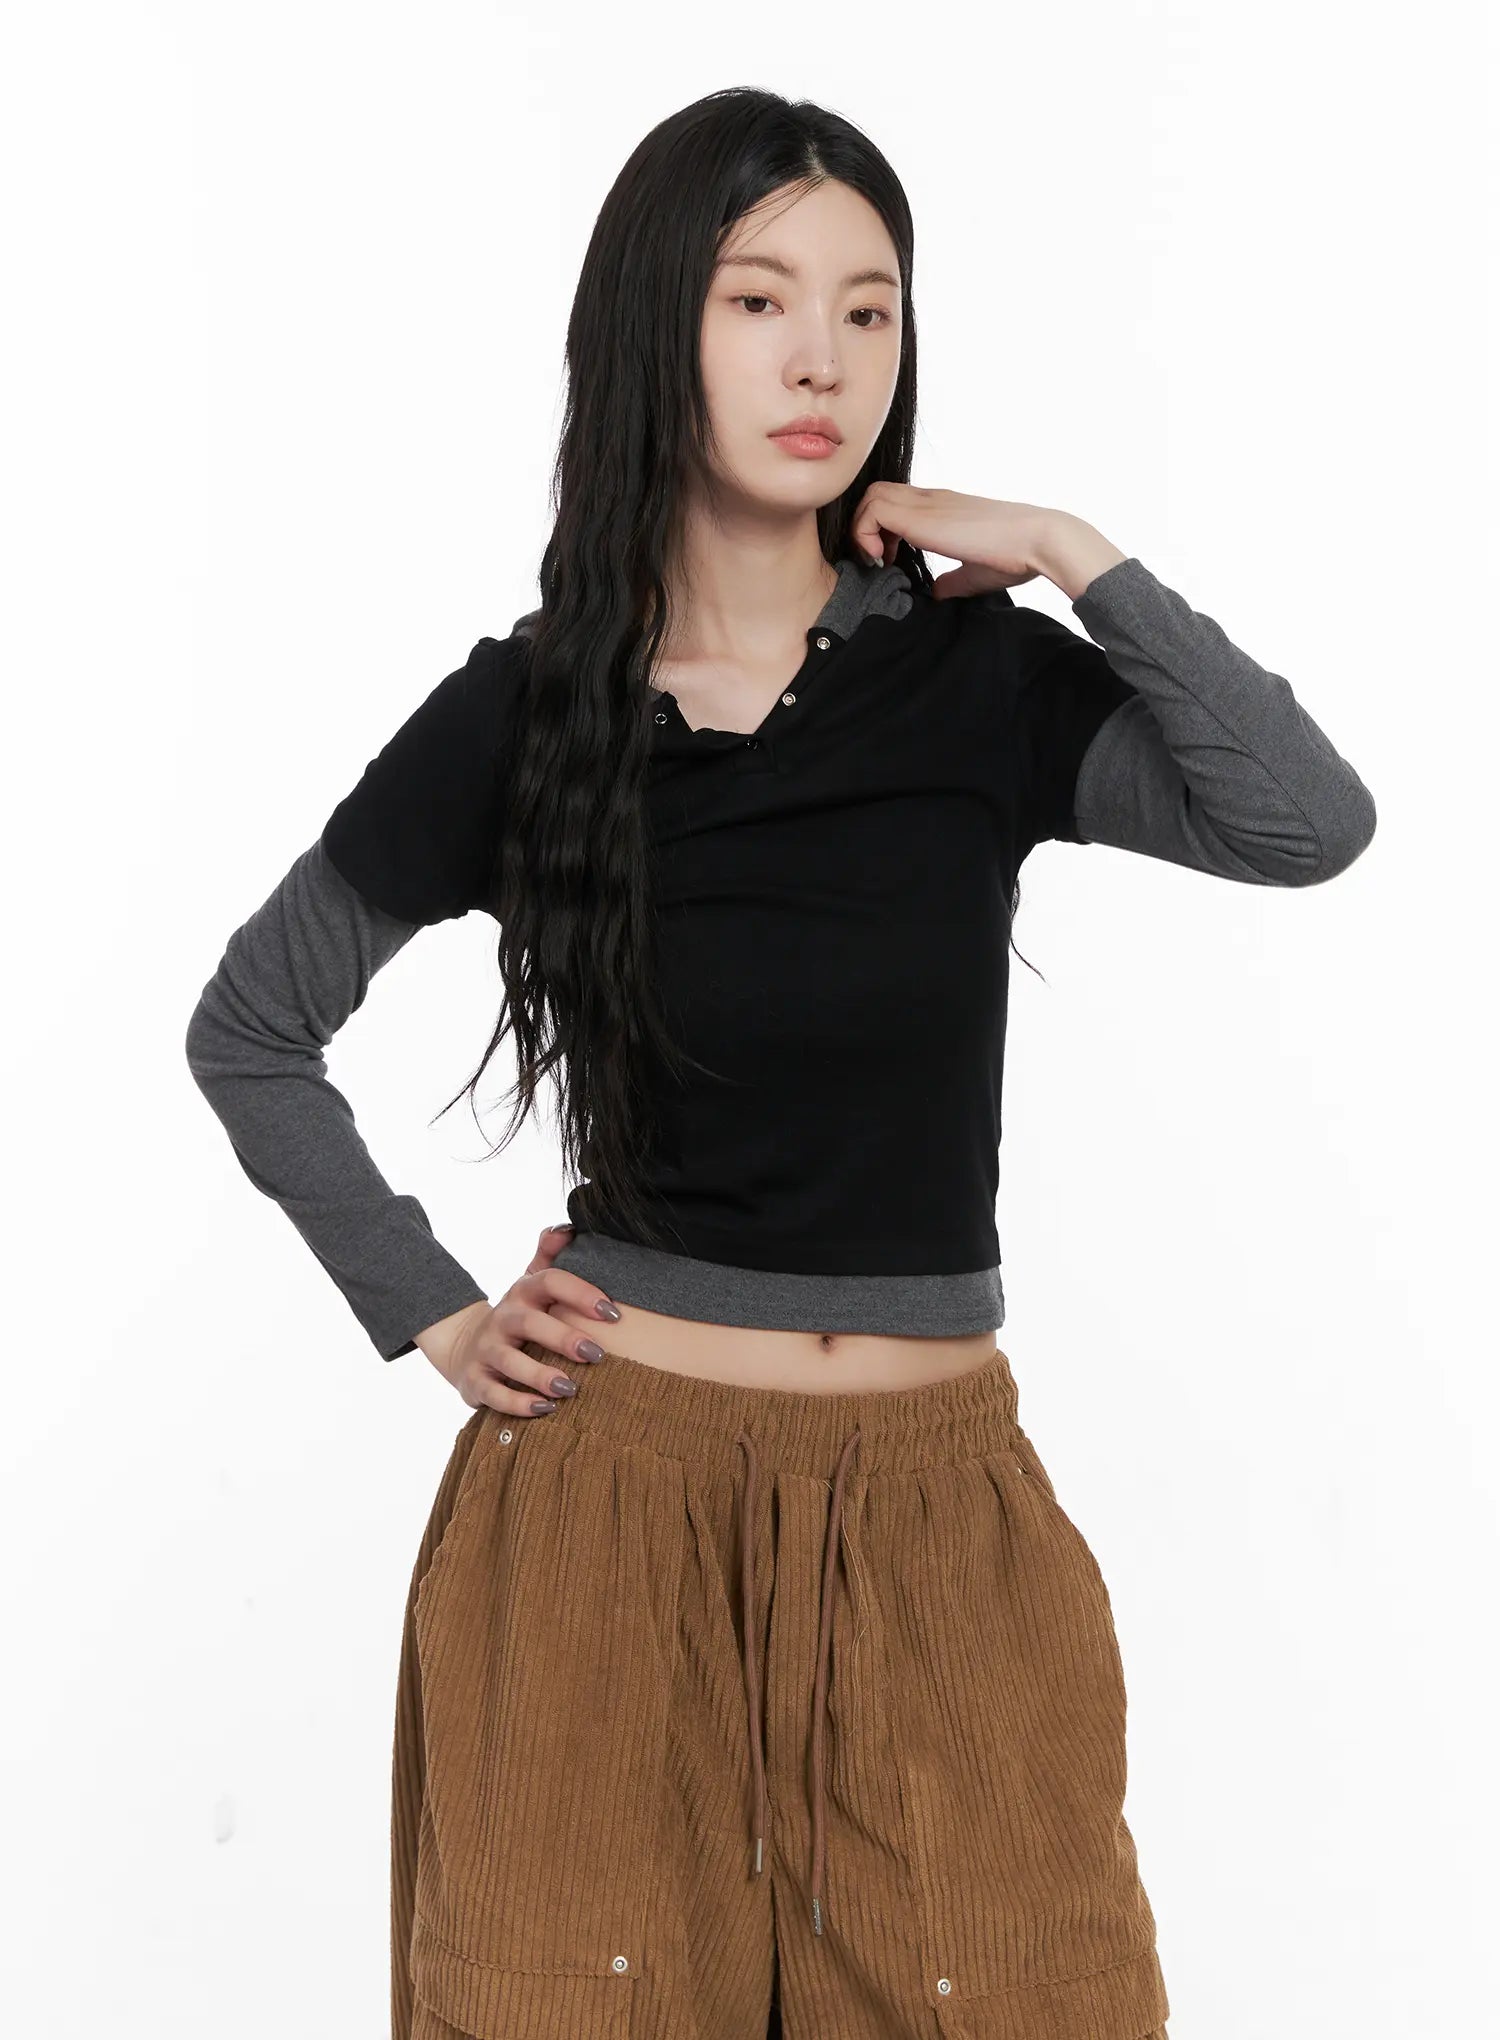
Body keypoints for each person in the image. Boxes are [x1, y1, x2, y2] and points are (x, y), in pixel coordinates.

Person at [185, 87, 1376, 2040]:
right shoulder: (529, 713)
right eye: (758, 301)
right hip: (607, 1518)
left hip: (935, 1517)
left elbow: (1306, 824)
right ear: (656, 327)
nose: (821, 357)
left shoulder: (978, 682)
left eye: (868, 309)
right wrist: (435, 1312)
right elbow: (253, 1029)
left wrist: (1073, 552)